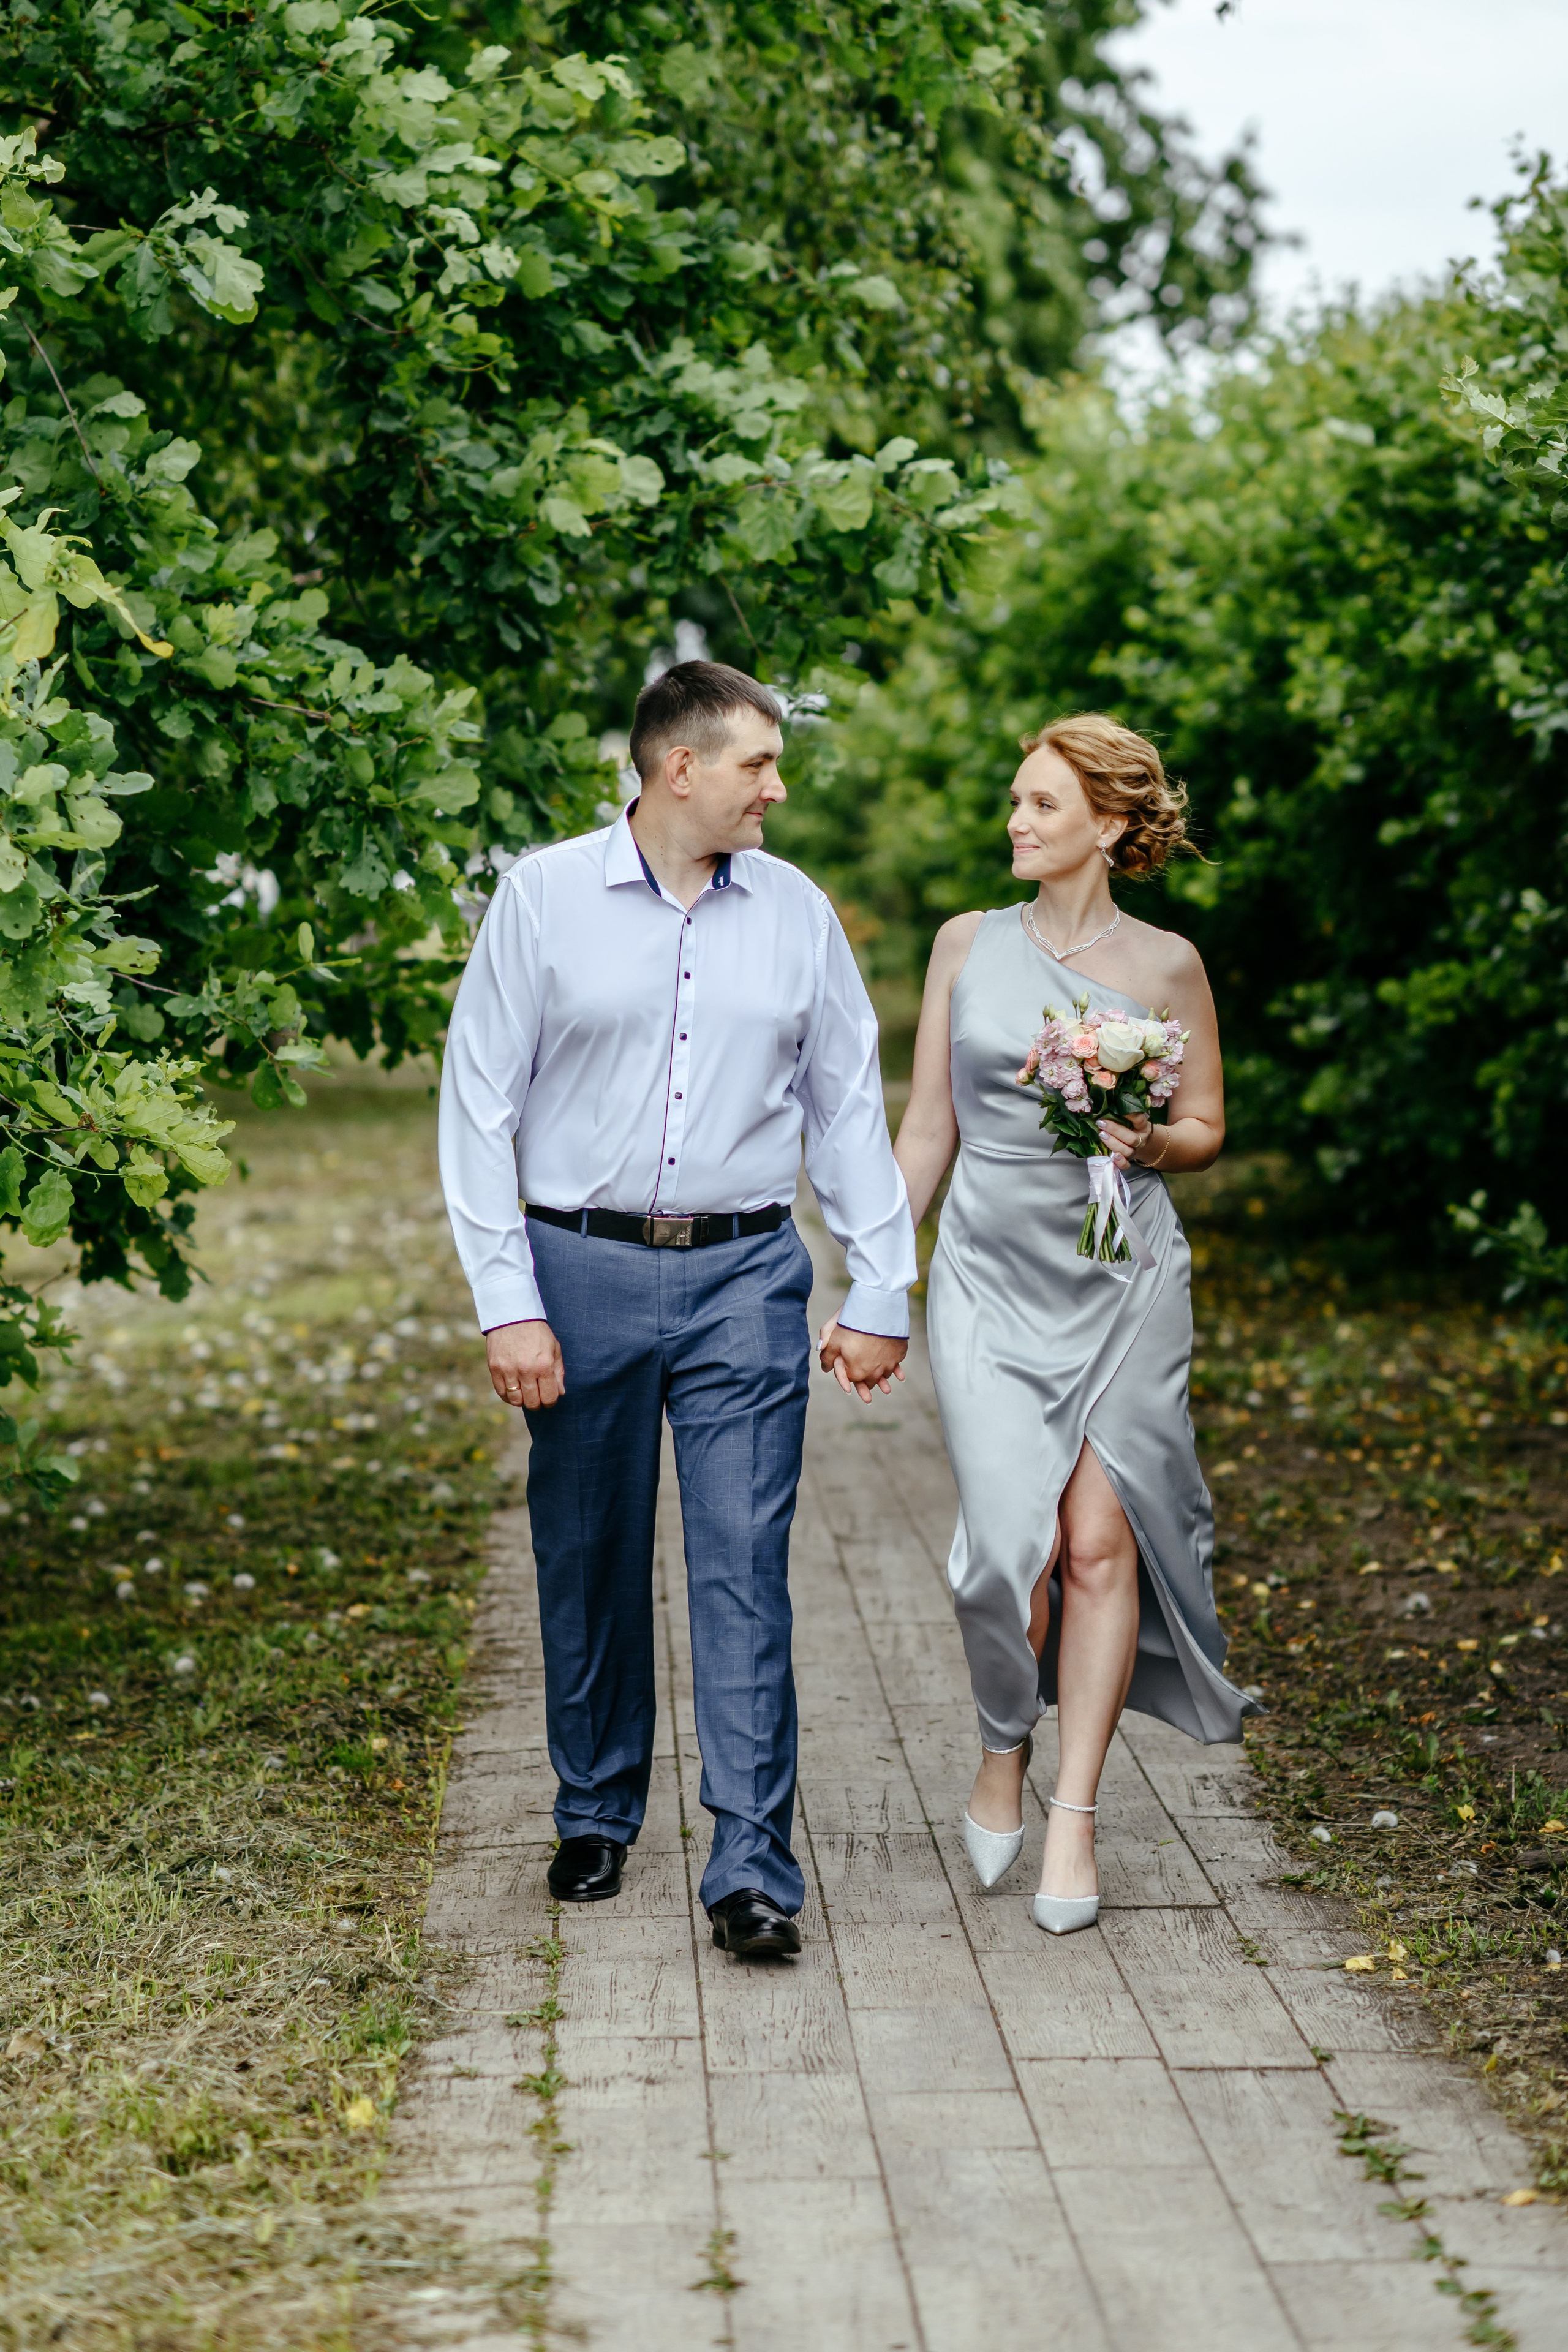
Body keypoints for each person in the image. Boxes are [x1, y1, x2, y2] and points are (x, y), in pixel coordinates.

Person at [437, 660, 914, 1959]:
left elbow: (844, 1107)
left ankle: (750, 1867)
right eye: (757, 763)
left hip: (744, 1274)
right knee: (586, 1554)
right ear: (676, 768)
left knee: (742, 1569)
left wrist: (884, 1283)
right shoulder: (541, 899)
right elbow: (477, 1109)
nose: (776, 785)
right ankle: (593, 1809)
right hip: (576, 1270)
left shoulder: (796, 912)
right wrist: (507, 1304)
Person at [884, 712, 1253, 1934]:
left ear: (1104, 822)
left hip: (1123, 1269)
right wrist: (879, 1281)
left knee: (1098, 1546)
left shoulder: (1165, 966)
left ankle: (1075, 1816)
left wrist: (1146, 1139)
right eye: (1013, 801)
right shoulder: (962, 945)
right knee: (1006, 1552)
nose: (1015, 822)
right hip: (990, 1271)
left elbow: (1202, 1127)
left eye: (1040, 805)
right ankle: (1004, 1737)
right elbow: (927, 1128)